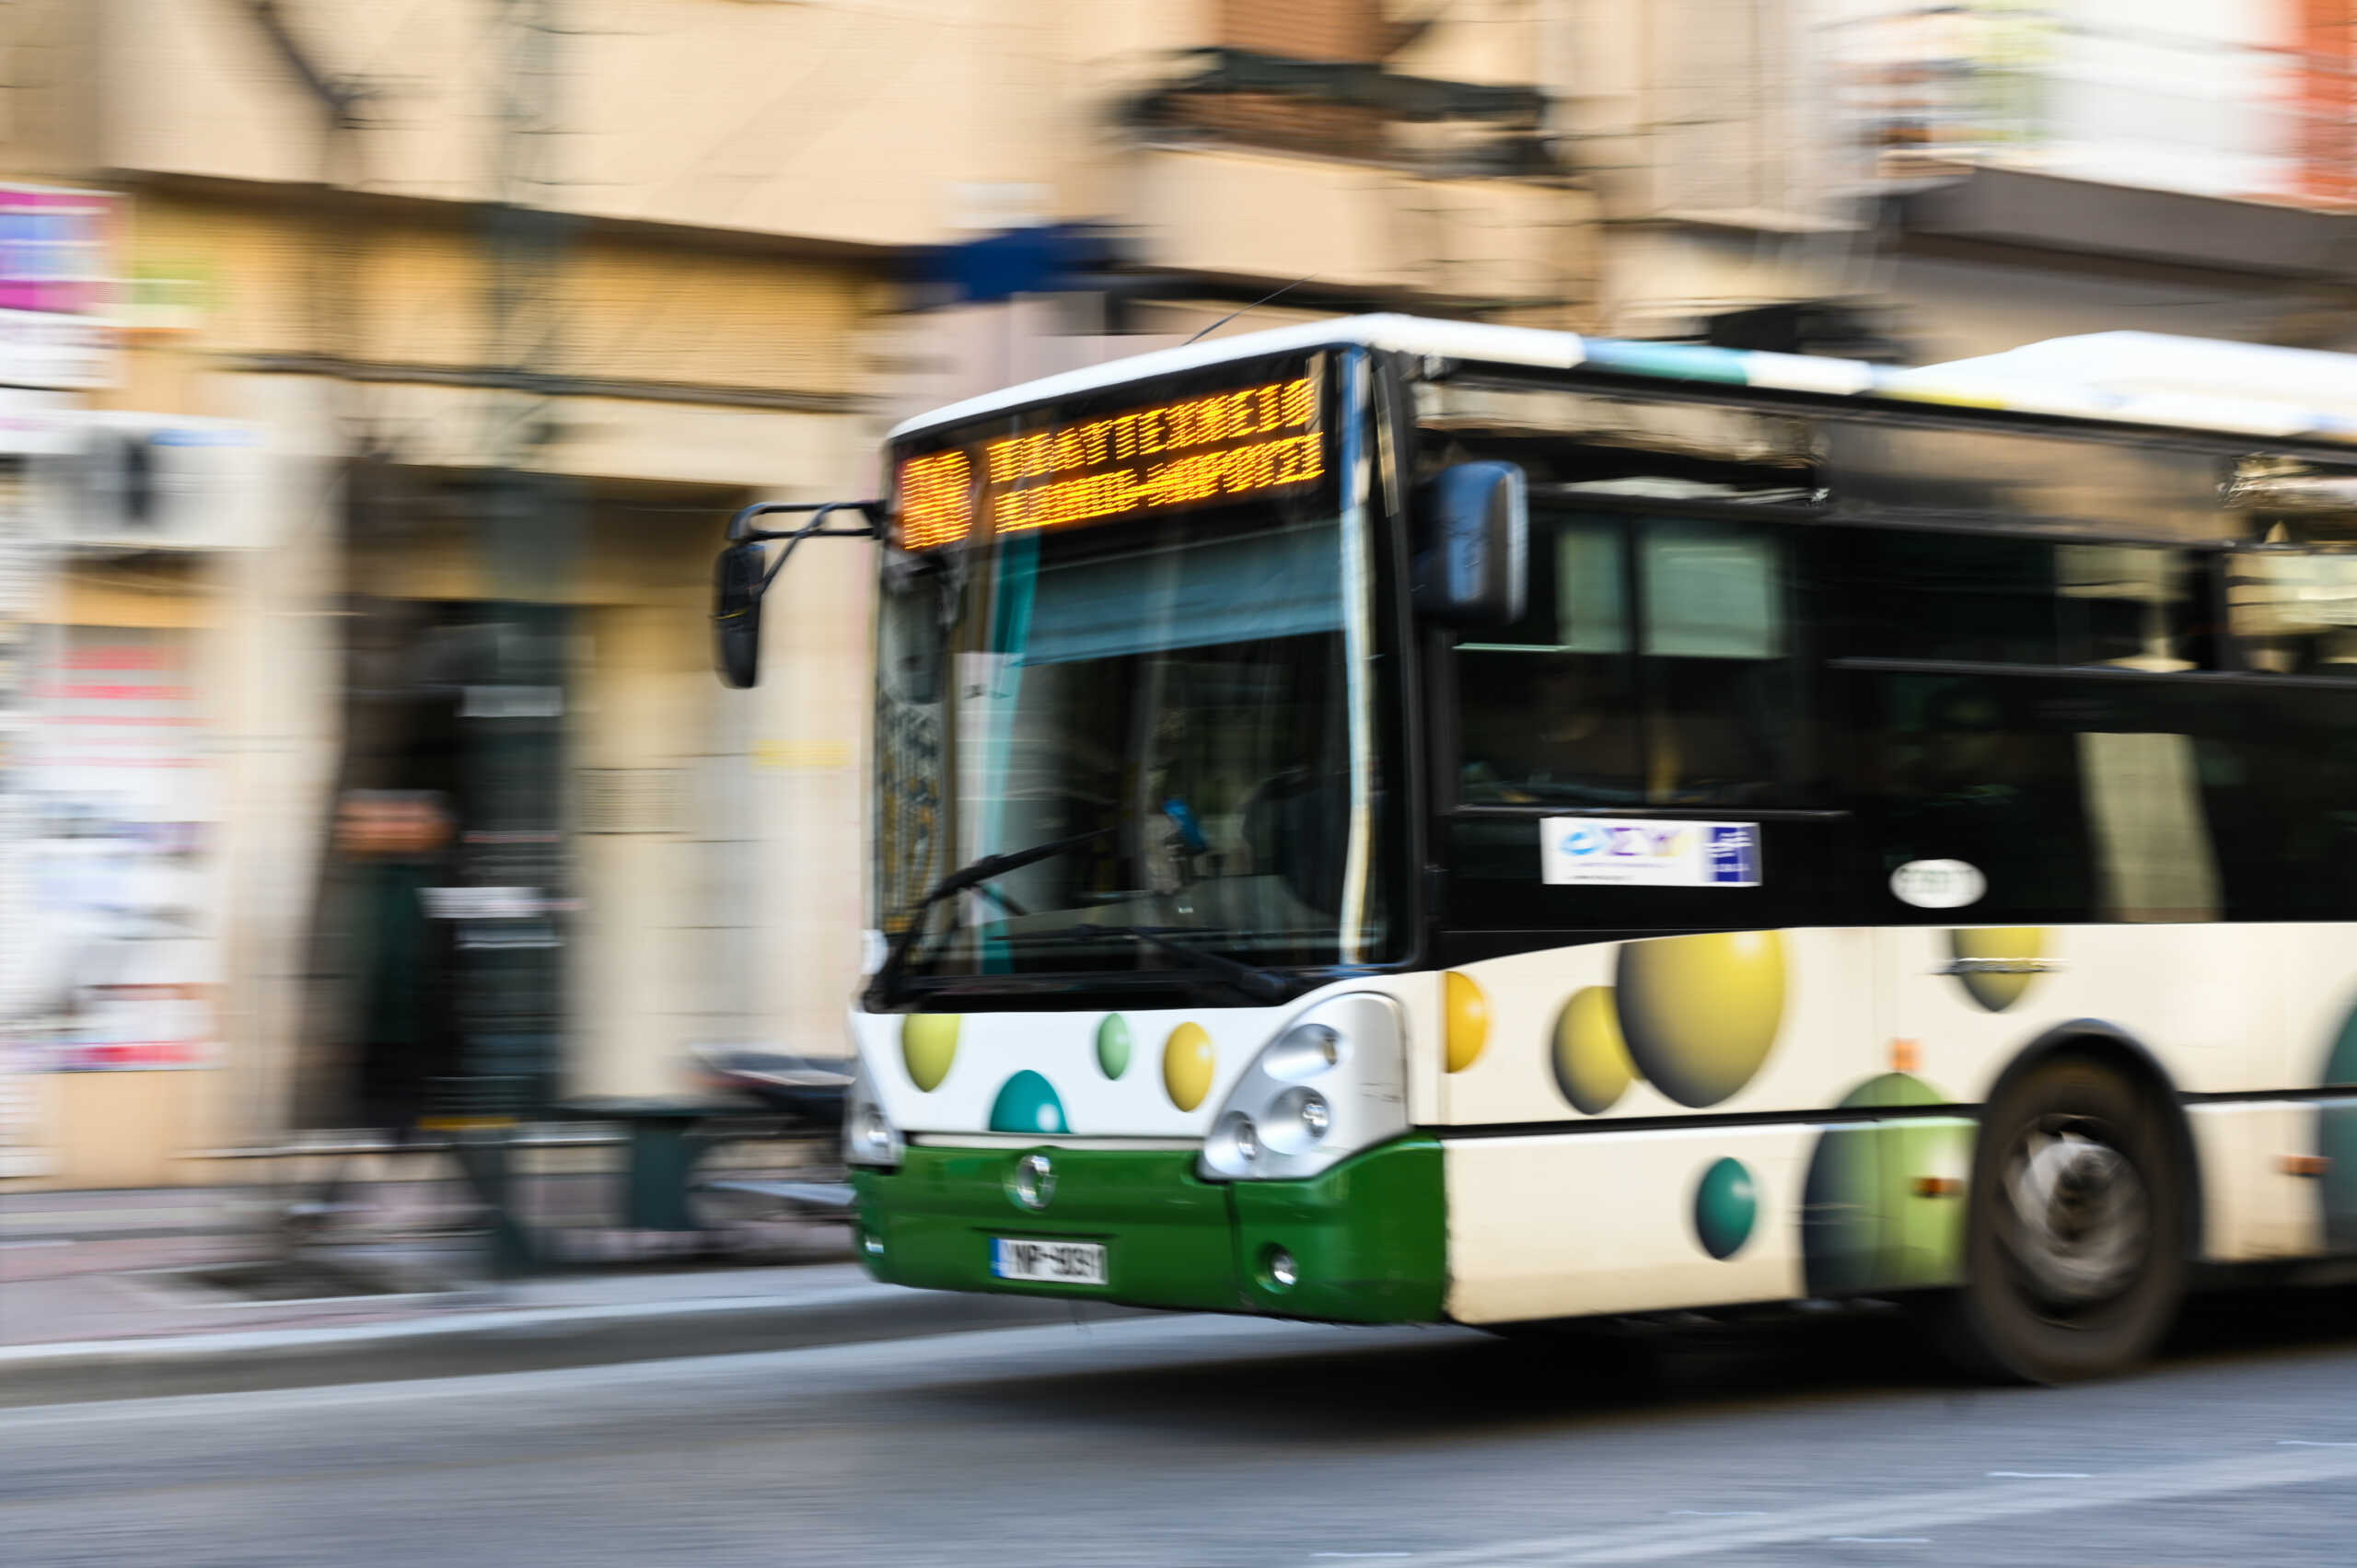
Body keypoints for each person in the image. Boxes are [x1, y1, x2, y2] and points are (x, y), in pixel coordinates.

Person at [293, 790, 466, 1228]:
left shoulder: (437, 880)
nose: (396, 827)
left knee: (428, 1119)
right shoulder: (367, 880)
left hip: (416, 1028)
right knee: (369, 1118)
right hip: (379, 1027)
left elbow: (442, 957)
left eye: (411, 820)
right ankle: (330, 1200)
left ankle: (331, 1201)